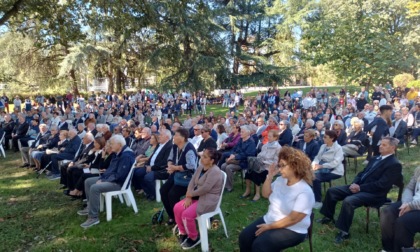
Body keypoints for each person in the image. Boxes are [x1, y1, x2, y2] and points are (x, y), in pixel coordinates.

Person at [318, 137, 402, 244]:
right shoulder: (376, 158)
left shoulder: (394, 164)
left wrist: (360, 188)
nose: (380, 146)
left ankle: (344, 232)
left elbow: (382, 185)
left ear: (392, 148)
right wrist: (355, 183)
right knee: (332, 191)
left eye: (384, 145)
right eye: (381, 144)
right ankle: (328, 216)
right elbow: (362, 173)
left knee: (349, 201)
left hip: (375, 194)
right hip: (360, 187)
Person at [239, 146, 315, 252]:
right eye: (279, 165)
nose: (280, 169)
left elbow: (293, 219)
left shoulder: (305, 191)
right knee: (245, 237)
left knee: (260, 246)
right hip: (272, 219)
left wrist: (270, 227)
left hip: (293, 229)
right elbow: (265, 194)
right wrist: (269, 177)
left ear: (295, 166)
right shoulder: (280, 180)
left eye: (283, 166)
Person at [77, 135, 135, 228]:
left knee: (94, 187)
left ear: (119, 144)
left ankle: (93, 217)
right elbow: (111, 170)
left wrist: (104, 180)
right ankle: (90, 206)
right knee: (88, 181)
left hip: (119, 183)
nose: (110, 146)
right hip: (112, 179)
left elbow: (120, 176)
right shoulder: (118, 153)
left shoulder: (126, 155)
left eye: (112, 144)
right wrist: (102, 178)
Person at [173, 148, 224, 250]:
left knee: (187, 215)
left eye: (205, 157)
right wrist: (188, 194)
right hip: (197, 195)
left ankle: (194, 237)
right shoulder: (201, 166)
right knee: (177, 208)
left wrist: (190, 195)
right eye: (202, 155)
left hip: (208, 199)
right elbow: (192, 181)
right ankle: (183, 232)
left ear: (212, 161)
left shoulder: (215, 171)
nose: (201, 158)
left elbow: (206, 189)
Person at [160, 128, 198, 226]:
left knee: (172, 194)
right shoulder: (175, 147)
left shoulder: (189, 149)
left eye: (176, 135)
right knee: (163, 190)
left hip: (188, 178)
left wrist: (175, 167)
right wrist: (170, 166)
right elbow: (170, 158)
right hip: (177, 174)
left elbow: (191, 166)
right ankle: (172, 215)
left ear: (182, 138)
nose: (174, 137)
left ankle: (179, 219)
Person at [380, 167, 420, 252]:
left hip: (415, 206)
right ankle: (388, 249)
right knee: (387, 213)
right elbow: (409, 188)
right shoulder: (419, 170)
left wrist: (411, 206)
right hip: (412, 202)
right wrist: (406, 202)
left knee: (403, 222)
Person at [132, 129, 173, 201]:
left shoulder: (169, 146)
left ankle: (153, 194)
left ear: (166, 137)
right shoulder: (159, 145)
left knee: (148, 177)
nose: (159, 136)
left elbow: (164, 162)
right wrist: (147, 165)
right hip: (151, 166)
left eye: (161, 135)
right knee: (137, 173)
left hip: (162, 170)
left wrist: (152, 168)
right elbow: (152, 157)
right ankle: (147, 191)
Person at [242, 130, 281, 202]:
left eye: (270, 136)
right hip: (260, 164)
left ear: (275, 138)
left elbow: (276, 161)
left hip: (268, 167)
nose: (268, 137)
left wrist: (264, 162)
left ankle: (257, 194)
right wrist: (258, 160)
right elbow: (260, 155)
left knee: (256, 173)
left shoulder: (278, 147)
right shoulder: (266, 145)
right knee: (249, 171)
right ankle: (248, 190)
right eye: (267, 136)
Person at [311, 130, 344, 209]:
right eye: (323, 136)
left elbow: (335, 163)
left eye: (325, 137)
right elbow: (317, 157)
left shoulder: (338, 148)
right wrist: (314, 164)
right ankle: (309, 196)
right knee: (306, 174)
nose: (323, 138)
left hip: (335, 171)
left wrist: (322, 166)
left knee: (316, 178)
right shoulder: (323, 146)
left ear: (332, 138)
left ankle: (318, 201)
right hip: (321, 167)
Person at [220, 125, 256, 192]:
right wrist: (231, 154)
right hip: (236, 160)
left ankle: (229, 187)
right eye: (241, 132)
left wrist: (235, 156)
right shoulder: (240, 140)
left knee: (228, 167)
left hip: (244, 162)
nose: (241, 133)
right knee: (223, 166)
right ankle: (223, 184)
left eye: (242, 132)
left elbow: (248, 154)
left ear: (248, 133)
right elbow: (234, 149)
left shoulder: (251, 142)